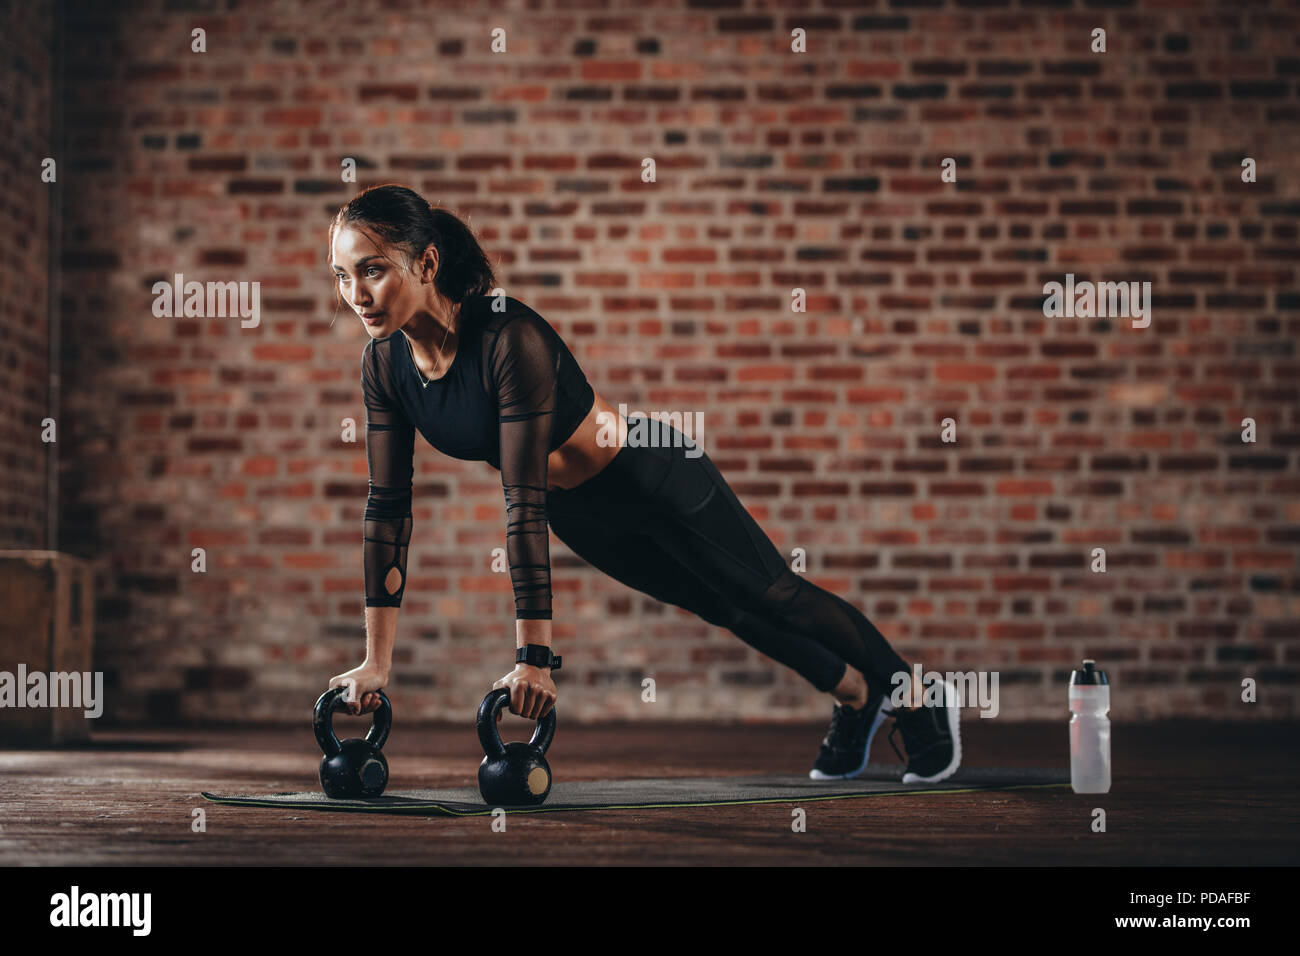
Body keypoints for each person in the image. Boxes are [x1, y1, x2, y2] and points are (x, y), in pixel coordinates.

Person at [325, 183, 960, 784]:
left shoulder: (506, 336)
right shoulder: (385, 365)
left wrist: (535, 659)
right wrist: (377, 661)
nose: (355, 293)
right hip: (584, 512)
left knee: (774, 594)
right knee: (722, 607)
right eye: (342, 276)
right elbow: (387, 510)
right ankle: (855, 699)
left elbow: (522, 502)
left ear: (427, 263)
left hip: (651, 476)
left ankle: (918, 697)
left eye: (372, 270)